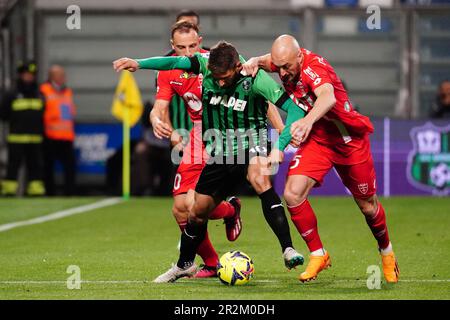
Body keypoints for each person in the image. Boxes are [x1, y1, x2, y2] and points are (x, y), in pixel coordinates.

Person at [113, 40, 308, 283]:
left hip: (251, 143)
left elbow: (295, 110)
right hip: (219, 151)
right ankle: (184, 265)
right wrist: (138, 63)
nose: (220, 82)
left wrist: (279, 146)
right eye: (216, 77)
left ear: (237, 67)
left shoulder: (255, 77)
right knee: (196, 211)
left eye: (225, 77)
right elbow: (173, 62)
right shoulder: (204, 64)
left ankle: (288, 249)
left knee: (259, 178)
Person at [242, 35, 399, 283]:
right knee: (292, 193)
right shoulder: (284, 62)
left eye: (287, 67)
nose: (282, 74)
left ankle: (387, 252)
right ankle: (319, 254)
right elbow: (265, 61)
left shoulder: (314, 68)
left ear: (300, 57)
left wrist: (306, 121)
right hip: (319, 140)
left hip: (348, 140)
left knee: (368, 206)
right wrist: (253, 61)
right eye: (279, 67)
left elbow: (327, 97)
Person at [150, 21, 243, 278]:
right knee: (180, 207)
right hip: (197, 134)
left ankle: (228, 215)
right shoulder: (168, 72)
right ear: (173, 47)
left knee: (194, 205)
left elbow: (254, 90)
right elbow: (159, 106)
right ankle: (212, 258)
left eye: (193, 45)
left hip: (224, 133)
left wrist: (280, 127)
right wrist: (156, 119)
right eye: (181, 48)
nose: (188, 52)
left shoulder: (213, 63)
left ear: (200, 41)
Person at [0, 62, 46, 196]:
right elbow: (3, 113)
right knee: (13, 165)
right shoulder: (12, 93)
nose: (29, 77)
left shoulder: (39, 93)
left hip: (35, 138)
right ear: (21, 75)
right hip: (17, 138)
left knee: (35, 165)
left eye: (31, 75)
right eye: (27, 75)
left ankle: (35, 190)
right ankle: (9, 190)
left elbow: (44, 112)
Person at [40, 65, 77, 196]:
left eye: (63, 75)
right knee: (48, 167)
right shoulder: (43, 91)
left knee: (70, 167)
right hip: (50, 136)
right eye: (60, 75)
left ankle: (70, 193)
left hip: (66, 136)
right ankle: (50, 193)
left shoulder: (67, 91)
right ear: (52, 77)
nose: (63, 78)